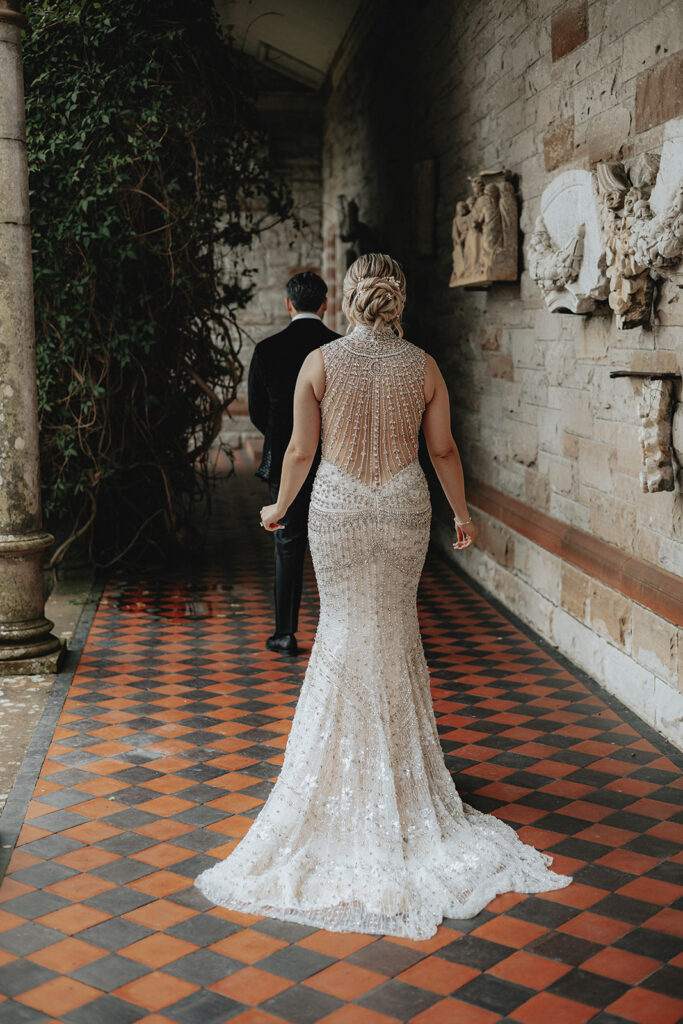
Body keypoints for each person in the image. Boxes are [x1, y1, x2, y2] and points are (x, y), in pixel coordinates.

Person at [197, 254, 571, 940]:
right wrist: (459, 515)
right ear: (398, 299)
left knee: (341, 629)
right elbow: (444, 451)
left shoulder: (321, 364)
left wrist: (279, 507)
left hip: (337, 506)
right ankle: (403, 783)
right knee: (394, 630)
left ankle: (341, 781)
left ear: (349, 298)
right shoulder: (422, 366)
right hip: (401, 505)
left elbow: (302, 454)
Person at [247, 271, 338, 655]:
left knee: (288, 543)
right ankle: (336, 635)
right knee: (335, 545)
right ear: (325, 305)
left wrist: (280, 435)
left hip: (286, 461)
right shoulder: (339, 348)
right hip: (334, 461)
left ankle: (285, 632)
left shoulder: (267, 350)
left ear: (288, 304)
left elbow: (255, 411)